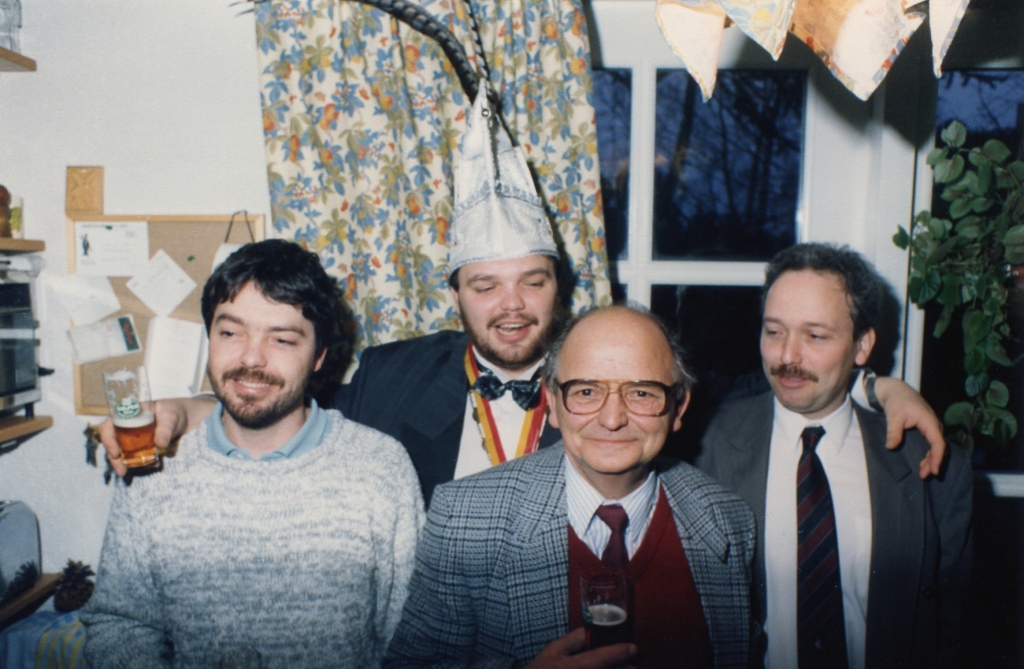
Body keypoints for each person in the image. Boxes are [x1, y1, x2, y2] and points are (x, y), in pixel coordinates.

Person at [97, 94, 948, 498]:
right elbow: (287, 406)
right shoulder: (393, 378)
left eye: (532, 282)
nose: (510, 306)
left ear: (560, 287)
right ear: (456, 295)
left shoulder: (620, 378)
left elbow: (773, 391)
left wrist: (878, 385)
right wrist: (179, 409)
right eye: (485, 285)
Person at [81, 240, 424, 668]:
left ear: (318, 356)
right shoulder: (156, 464)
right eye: (230, 332)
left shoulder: (380, 467)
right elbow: (120, 623)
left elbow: (413, 640)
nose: (250, 358)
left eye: (282, 339)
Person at [384, 305, 759, 669]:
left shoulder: (728, 520)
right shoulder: (464, 518)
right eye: (586, 392)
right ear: (551, 402)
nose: (612, 419)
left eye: (642, 393)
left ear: (678, 407)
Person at [695, 243, 972, 669]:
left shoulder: (930, 465)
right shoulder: (706, 445)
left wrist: (877, 388)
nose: (788, 356)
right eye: (774, 331)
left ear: (862, 346)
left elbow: (953, 629)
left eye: (815, 336)